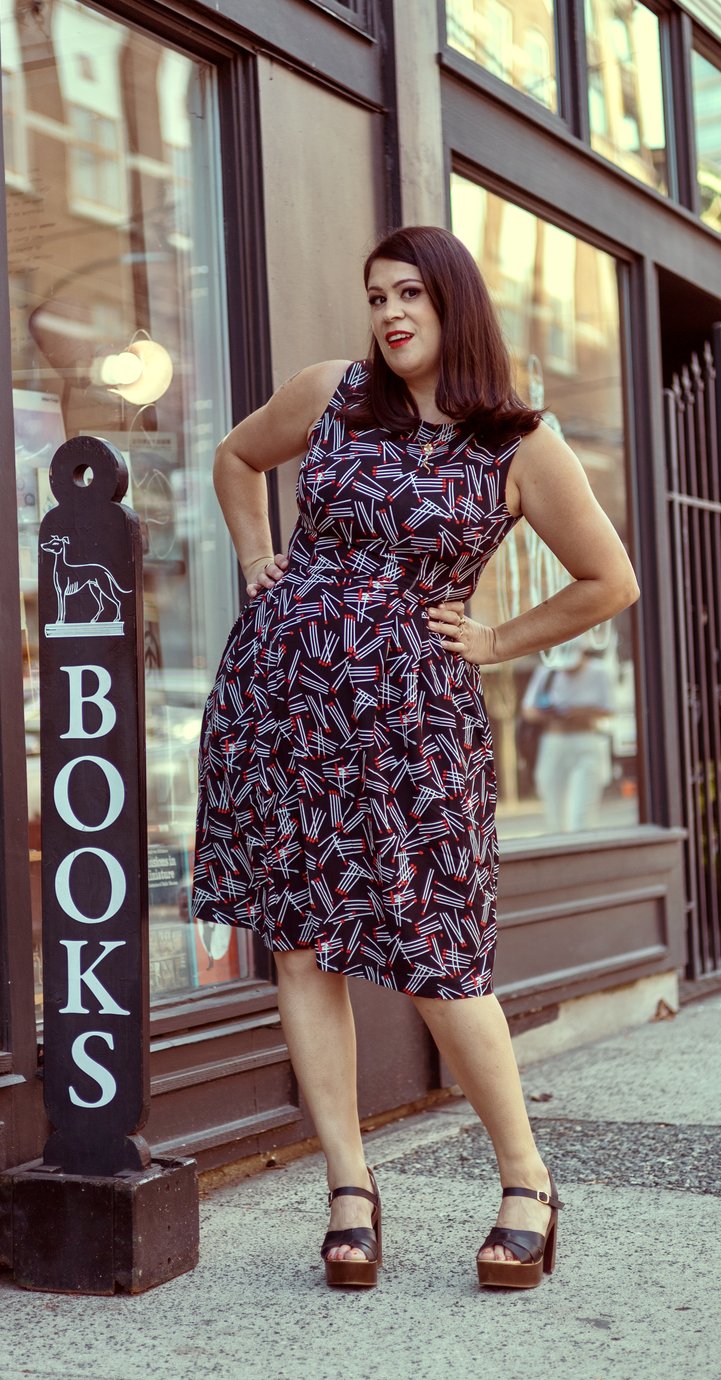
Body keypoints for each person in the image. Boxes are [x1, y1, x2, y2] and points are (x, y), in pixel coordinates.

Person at [191, 226, 639, 1290]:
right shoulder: (330, 394)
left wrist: (497, 640)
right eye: (376, 296)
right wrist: (257, 554)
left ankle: (526, 1181)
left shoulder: (517, 441)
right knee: (301, 946)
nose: (390, 315)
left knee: (439, 955)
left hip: (415, 724)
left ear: (454, 304)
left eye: (410, 295)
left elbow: (608, 580)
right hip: (284, 704)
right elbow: (236, 457)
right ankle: (348, 1187)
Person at [521, 639, 616, 833]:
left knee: (582, 815)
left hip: (585, 741)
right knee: (555, 815)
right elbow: (528, 711)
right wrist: (552, 714)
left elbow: (609, 709)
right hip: (553, 742)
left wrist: (579, 713)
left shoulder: (598, 672)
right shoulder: (547, 673)